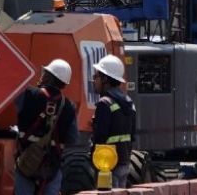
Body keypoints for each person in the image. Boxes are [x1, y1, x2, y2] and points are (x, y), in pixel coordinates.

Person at [14, 59, 78, 195]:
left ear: (49, 77)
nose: (41, 75)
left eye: (45, 73)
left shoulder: (28, 94)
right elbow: (72, 139)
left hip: (27, 162)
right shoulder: (69, 106)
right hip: (52, 166)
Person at [90, 55, 136, 188]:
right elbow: (132, 135)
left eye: (96, 77)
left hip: (107, 165)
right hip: (124, 162)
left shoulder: (104, 103)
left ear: (105, 79)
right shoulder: (129, 102)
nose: (94, 81)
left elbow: (100, 137)